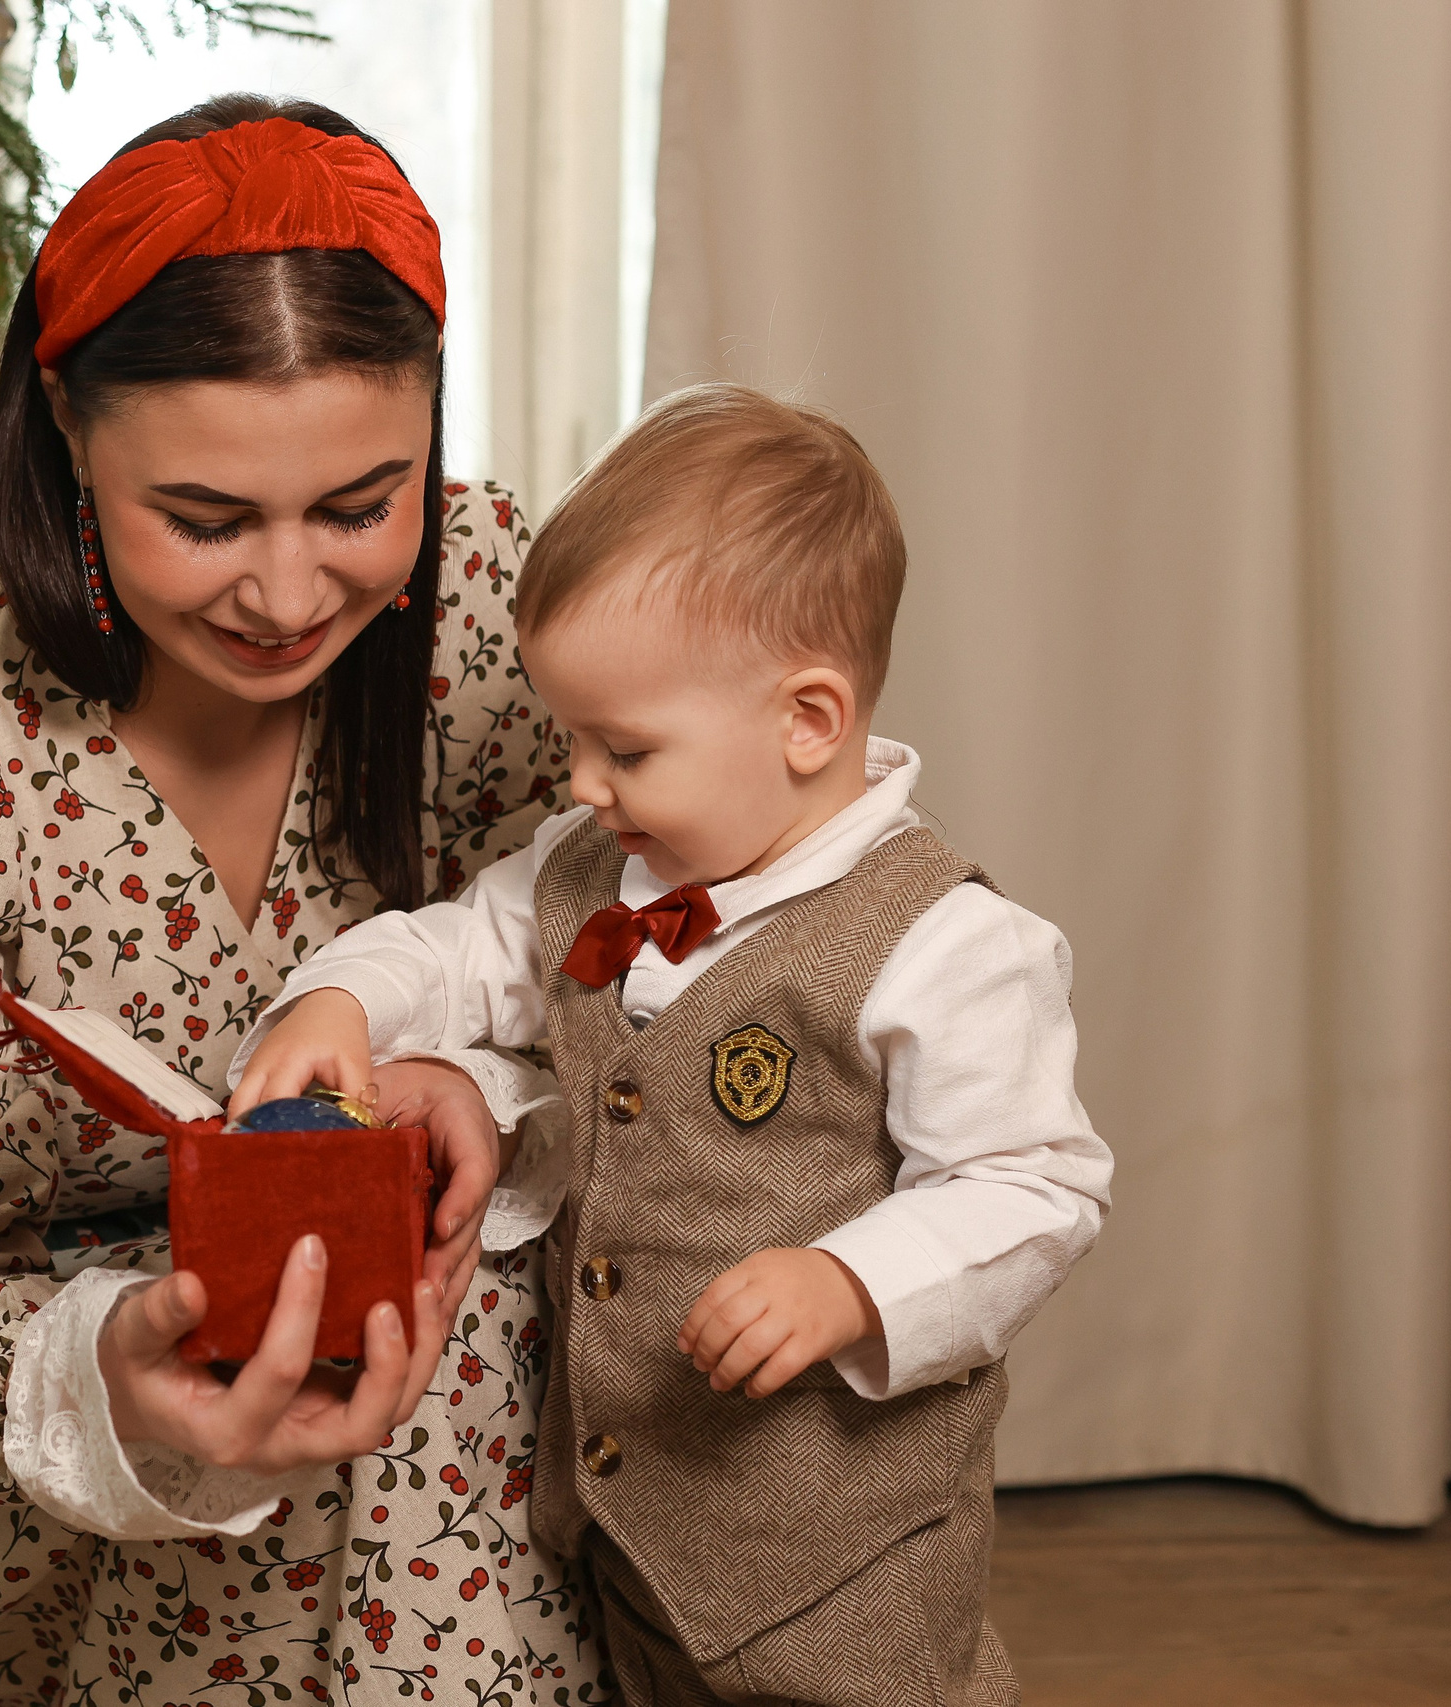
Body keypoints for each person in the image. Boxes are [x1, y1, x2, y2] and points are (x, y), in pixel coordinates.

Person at [0, 97, 609, 1707]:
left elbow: (638, 981)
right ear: (59, 427)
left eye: (357, 504)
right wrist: (117, 1388)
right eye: (203, 520)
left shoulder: (498, 620)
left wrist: (475, 1085)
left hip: (413, 1375)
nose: (288, 594)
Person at [232, 384, 1115, 1707]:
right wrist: (342, 1002)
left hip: (843, 1567)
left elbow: (1034, 1186)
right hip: (637, 1528)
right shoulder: (599, 867)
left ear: (807, 722)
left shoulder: (948, 946)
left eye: (624, 748)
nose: (581, 782)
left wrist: (851, 1286)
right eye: (572, 738)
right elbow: (456, 947)